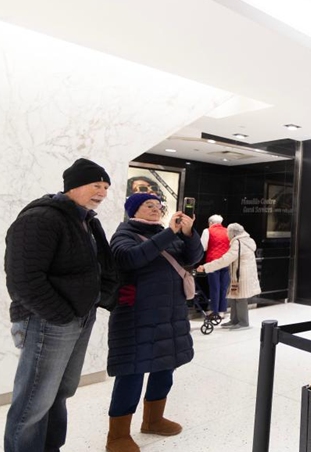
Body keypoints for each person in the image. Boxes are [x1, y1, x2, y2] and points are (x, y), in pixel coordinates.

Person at [3, 158, 118, 452]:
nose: (103, 192)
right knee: (34, 401)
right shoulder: (41, 218)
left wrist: (99, 299)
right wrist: (61, 316)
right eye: (96, 185)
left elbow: (100, 264)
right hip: (49, 320)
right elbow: (23, 280)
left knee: (60, 392)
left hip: (79, 317)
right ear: (74, 185)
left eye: (106, 187)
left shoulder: (87, 220)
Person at [105, 193, 203, 452]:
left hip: (170, 313)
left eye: (159, 206)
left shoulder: (167, 234)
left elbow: (192, 258)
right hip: (137, 315)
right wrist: (169, 233)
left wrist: (188, 233)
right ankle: (117, 435)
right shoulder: (124, 234)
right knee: (132, 372)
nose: (155, 209)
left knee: (165, 366)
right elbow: (130, 258)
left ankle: (153, 420)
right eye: (148, 205)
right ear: (133, 210)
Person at [197, 223, 261, 330]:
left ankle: (243, 322)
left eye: (228, 232)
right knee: (235, 296)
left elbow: (225, 260)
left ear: (233, 233)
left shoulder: (238, 243)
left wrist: (206, 267)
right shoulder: (245, 241)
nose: (227, 235)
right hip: (238, 275)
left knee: (240, 298)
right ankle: (234, 320)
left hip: (241, 276)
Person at [199, 214, 230, 320]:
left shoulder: (207, 231)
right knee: (224, 287)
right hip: (226, 261)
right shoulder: (228, 231)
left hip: (213, 262)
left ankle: (215, 311)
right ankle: (222, 311)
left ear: (210, 222)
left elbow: (203, 247)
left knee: (214, 287)